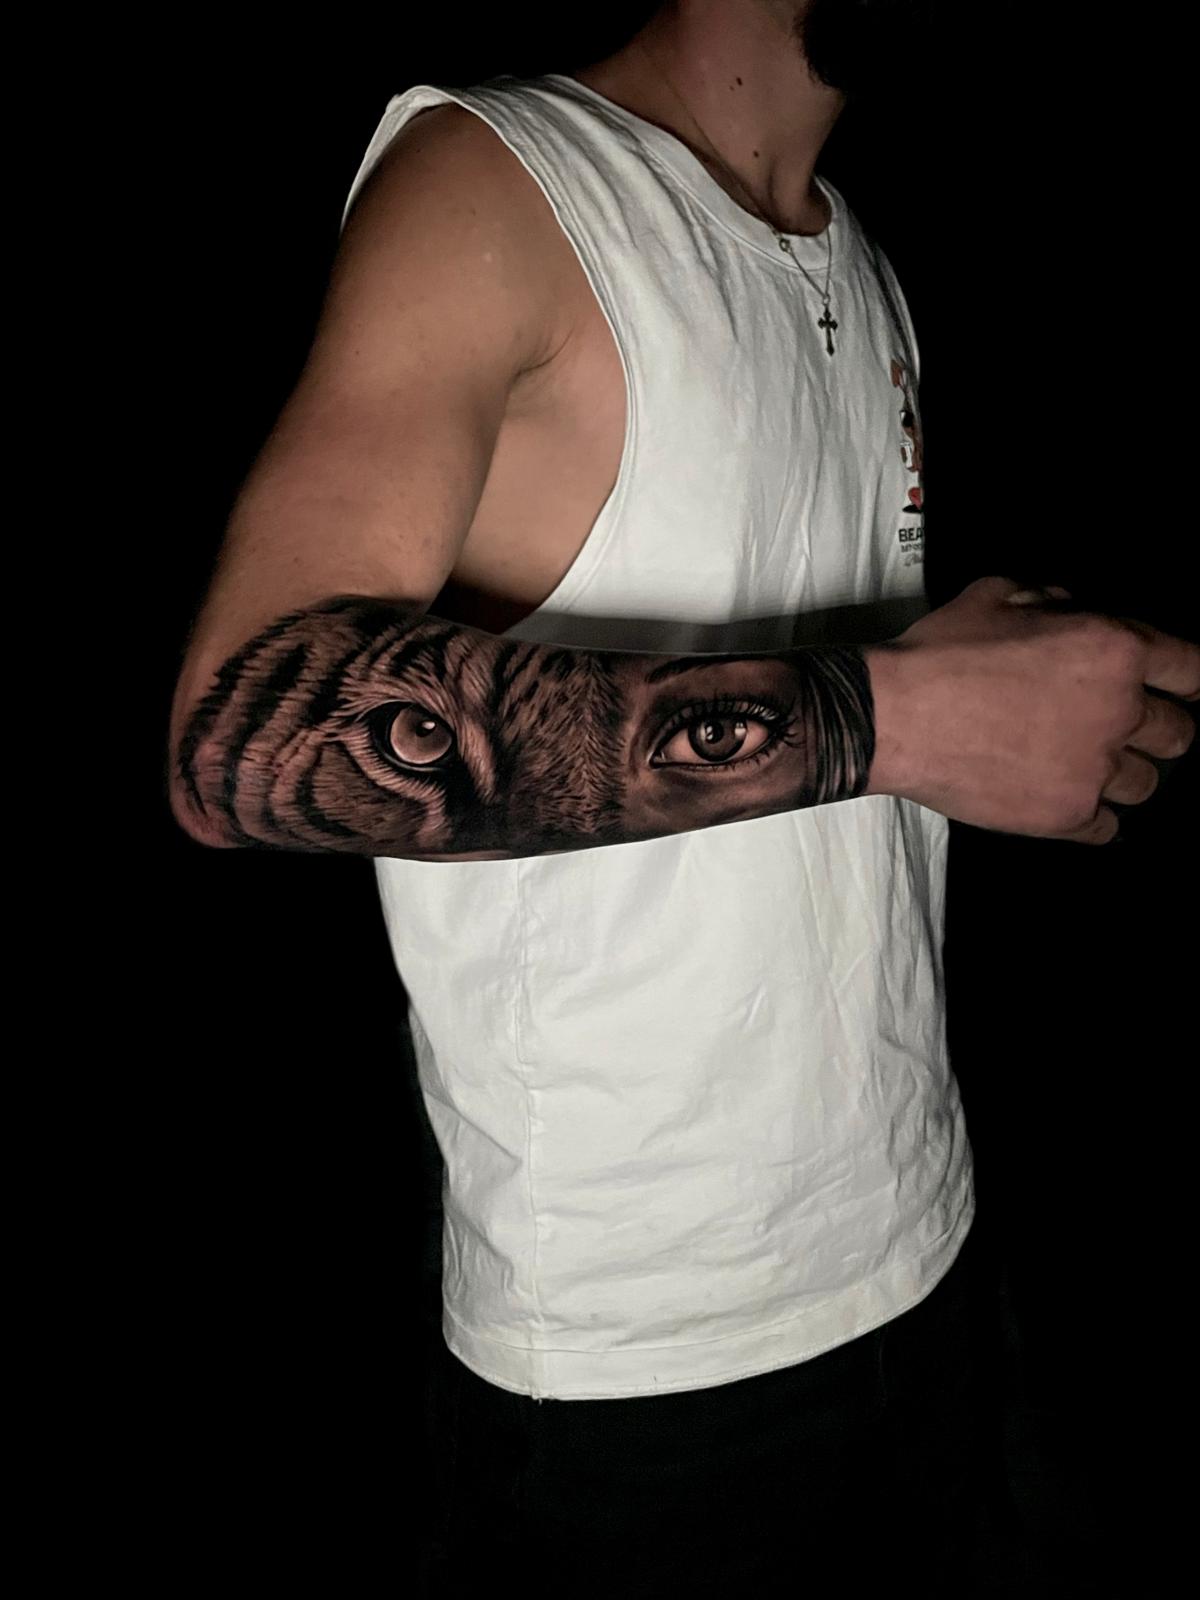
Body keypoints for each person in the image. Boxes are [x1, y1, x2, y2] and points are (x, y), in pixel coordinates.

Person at [165, 2, 1199, 1593]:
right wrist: (909, 713)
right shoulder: (499, 183)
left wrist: (971, 694)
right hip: (639, 1373)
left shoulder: (858, 260)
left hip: (922, 1240)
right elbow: (247, 738)